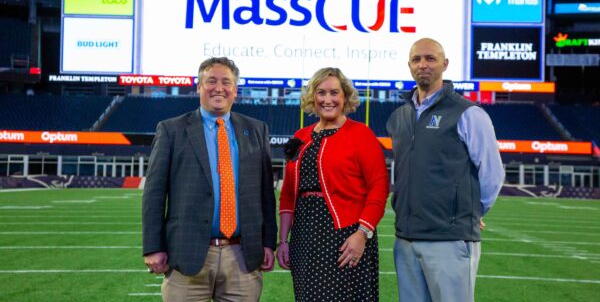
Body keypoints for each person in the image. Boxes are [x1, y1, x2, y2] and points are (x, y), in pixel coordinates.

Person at [142, 57, 277, 301]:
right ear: (198, 87)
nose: (218, 88)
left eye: (226, 82)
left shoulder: (257, 130)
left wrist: (269, 242)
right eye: (211, 81)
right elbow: (154, 194)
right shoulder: (171, 129)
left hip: (242, 255)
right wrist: (153, 247)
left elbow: (266, 194)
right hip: (186, 254)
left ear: (235, 90)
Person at [386, 38, 505, 302]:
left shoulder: (468, 113)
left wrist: (468, 211)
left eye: (430, 58)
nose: (423, 65)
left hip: (449, 239)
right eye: (417, 59)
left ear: (445, 64)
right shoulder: (400, 116)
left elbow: (492, 174)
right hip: (406, 239)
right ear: (409, 66)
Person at [277, 67, 389, 301]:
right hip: (304, 235)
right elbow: (288, 194)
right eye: (321, 93)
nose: (327, 99)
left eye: (334, 93)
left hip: (346, 235)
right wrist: (283, 241)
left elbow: (379, 188)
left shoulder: (361, 134)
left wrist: (362, 234)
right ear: (312, 97)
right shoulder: (301, 136)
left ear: (345, 97)